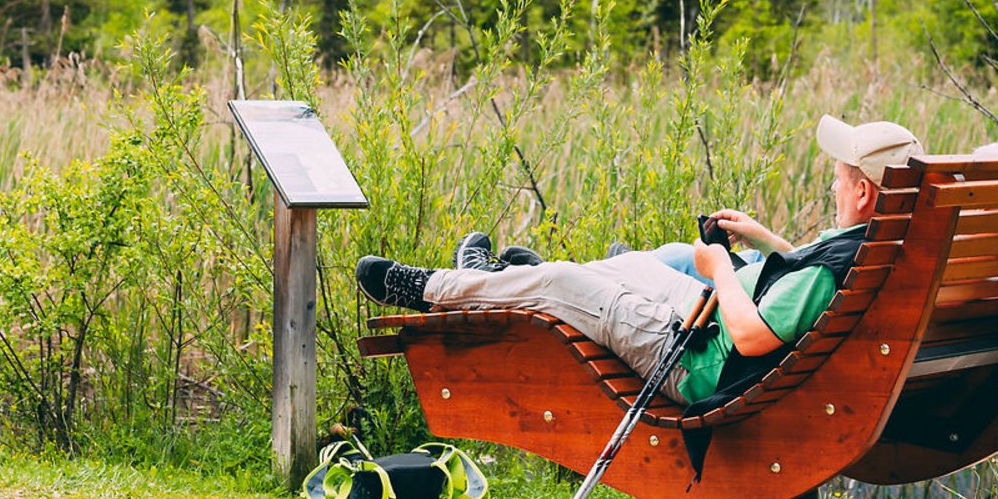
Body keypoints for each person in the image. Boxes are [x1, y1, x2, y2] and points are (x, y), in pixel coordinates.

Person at [355, 116, 922, 408]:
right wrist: (761, 239)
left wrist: (722, 265)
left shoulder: (836, 268)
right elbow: (803, 280)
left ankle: (430, 286)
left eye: (840, 178)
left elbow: (751, 339)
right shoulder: (878, 247)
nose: (832, 184)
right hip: (706, 326)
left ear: (865, 194)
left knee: (562, 280)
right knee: (629, 270)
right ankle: (494, 279)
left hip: (696, 358)